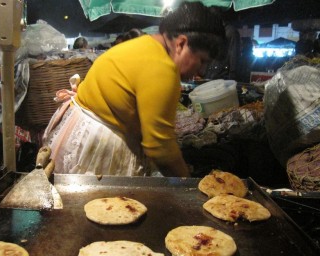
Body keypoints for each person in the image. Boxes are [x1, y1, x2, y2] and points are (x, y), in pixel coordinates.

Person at [43, 1, 225, 177]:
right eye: (202, 60)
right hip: (97, 147)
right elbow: (160, 147)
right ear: (181, 44)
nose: (201, 71)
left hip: (77, 133)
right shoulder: (162, 68)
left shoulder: (143, 44)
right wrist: (187, 184)